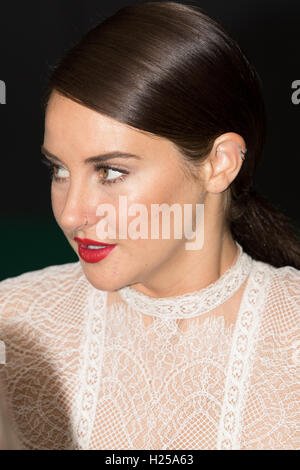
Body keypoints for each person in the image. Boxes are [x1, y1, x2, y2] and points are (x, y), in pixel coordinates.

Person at [0, 1, 299, 450]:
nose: (71, 212)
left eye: (111, 172)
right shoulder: (12, 325)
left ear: (219, 164)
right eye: (59, 171)